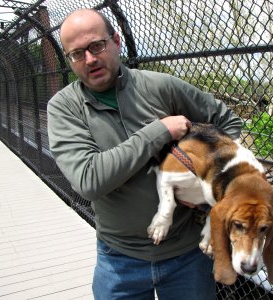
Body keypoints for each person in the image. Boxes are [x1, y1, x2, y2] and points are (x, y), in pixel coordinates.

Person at [47, 8, 242, 300]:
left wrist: (204, 181)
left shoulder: (160, 86)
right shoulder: (64, 107)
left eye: (96, 46)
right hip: (119, 258)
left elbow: (229, 124)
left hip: (186, 255)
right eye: (77, 54)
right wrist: (160, 131)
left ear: (116, 41)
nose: (89, 59)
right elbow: (88, 180)